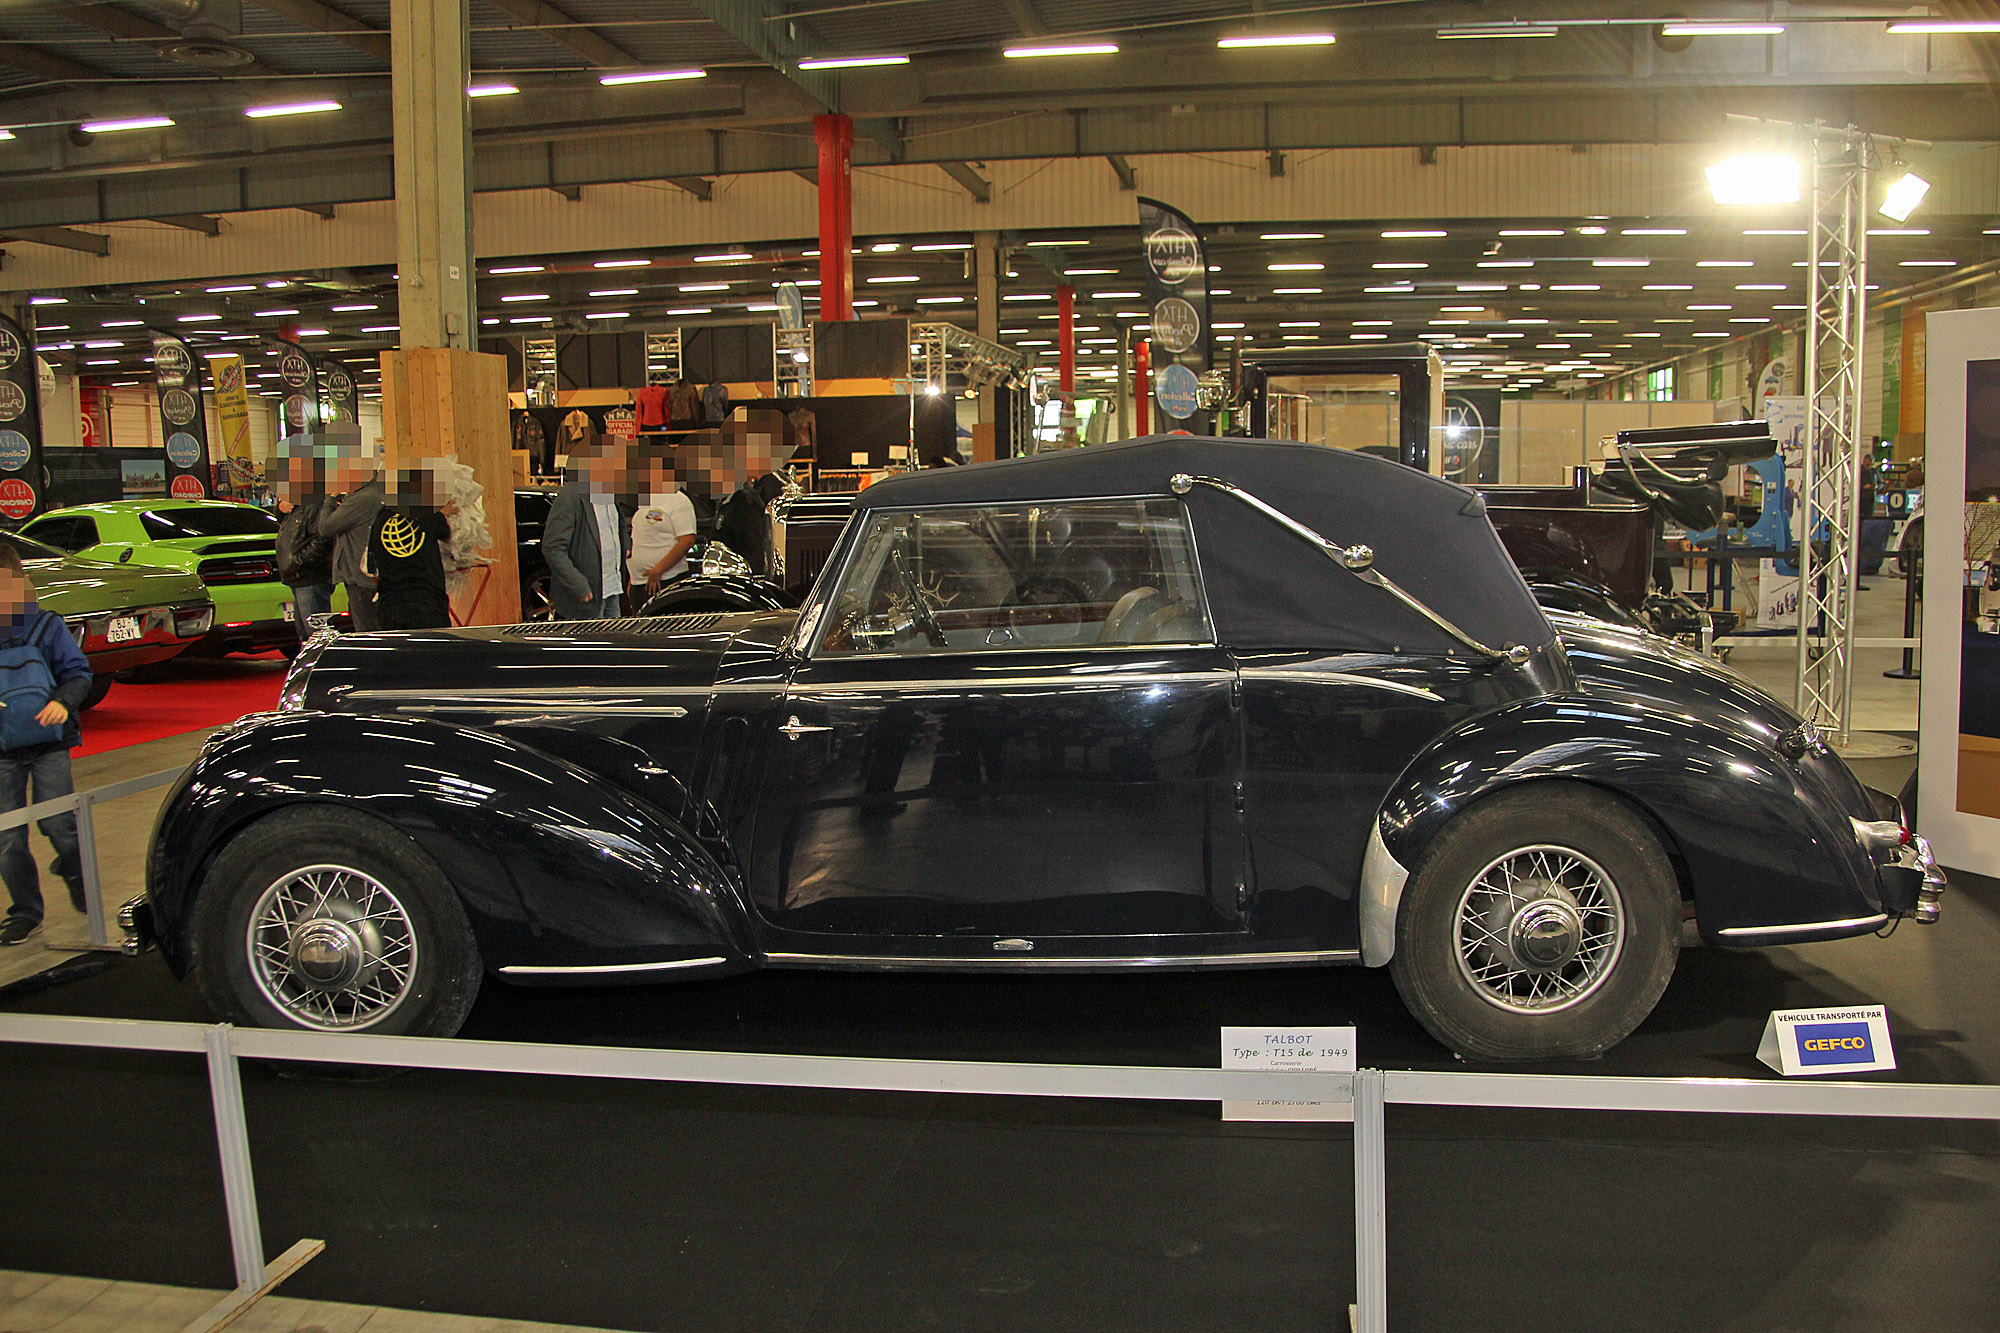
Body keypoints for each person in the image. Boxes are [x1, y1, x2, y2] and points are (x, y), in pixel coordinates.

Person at [0, 541, 92, 946]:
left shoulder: (46, 625)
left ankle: (75, 871)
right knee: (8, 838)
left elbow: (78, 674)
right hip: (3, 750)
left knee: (59, 825)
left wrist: (61, 702)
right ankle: (25, 912)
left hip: (50, 744)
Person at [542, 443, 634, 619]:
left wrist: (626, 545)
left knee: (612, 644)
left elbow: (619, 525)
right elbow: (552, 547)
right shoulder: (571, 496)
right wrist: (577, 583)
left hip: (612, 589)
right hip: (585, 597)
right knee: (591, 645)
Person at [369, 463, 456, 630]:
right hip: (427, 602)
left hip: (390, 605)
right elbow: (447, 535)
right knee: (434, 654)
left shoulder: (380, 518)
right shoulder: (426, 513)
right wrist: (442, 512)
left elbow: (370, 565)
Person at [319, 436, 385, 631]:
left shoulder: (360, 499)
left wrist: (331, 497)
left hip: (361, 579)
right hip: (370, 576)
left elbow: (326, 527)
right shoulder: (375, 492)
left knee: (368, 634)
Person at [274, 442, 335, 639]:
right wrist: (280, 508)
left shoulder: (317, 499)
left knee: (316, 636)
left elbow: (322, 537)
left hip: (310, 576)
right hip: (298, 576)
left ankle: (322, 669)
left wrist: (298, 562)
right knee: (305, 635)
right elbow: (287, 525)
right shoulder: (297, 496)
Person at [628, 448, 698, 605]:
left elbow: (687, 541)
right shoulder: (646, 499)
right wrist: (633, 578)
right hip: (640, 583)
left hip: (665, 581)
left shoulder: (678, 500)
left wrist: (658, 569)